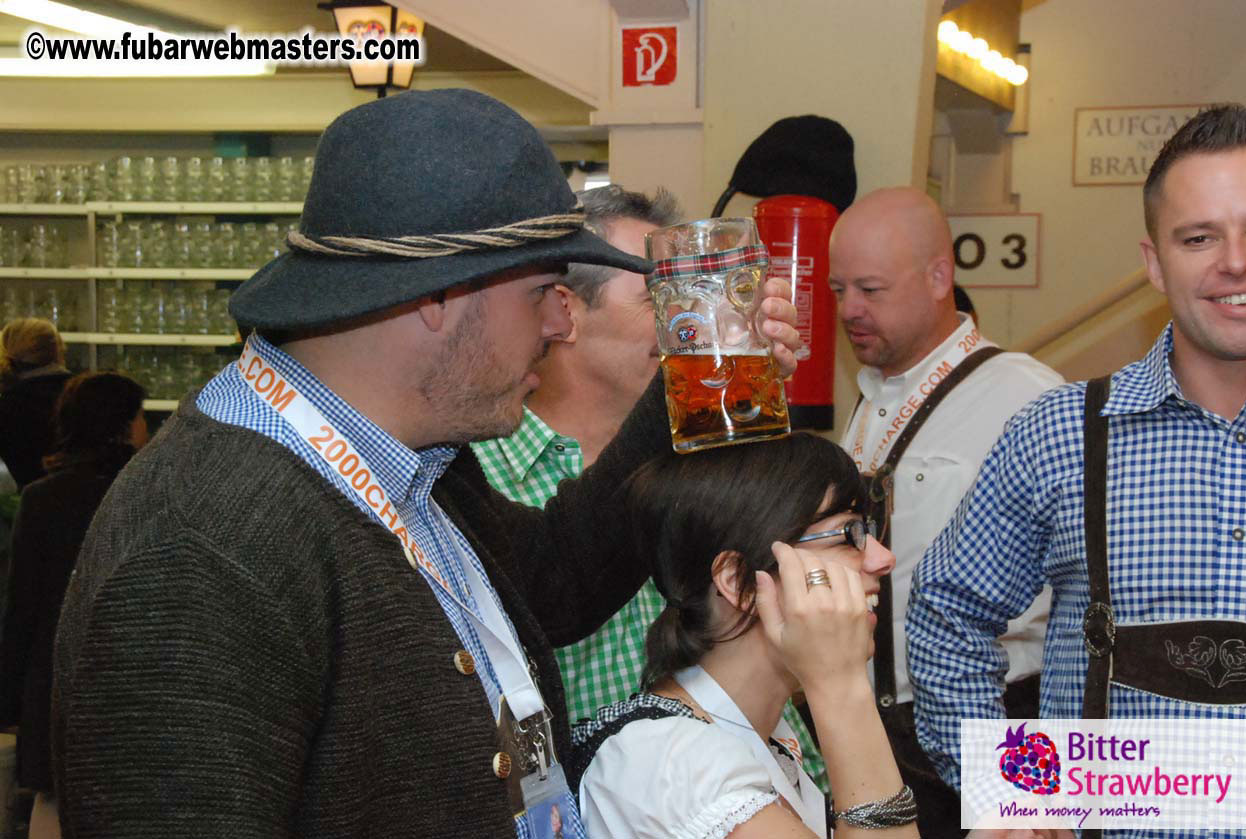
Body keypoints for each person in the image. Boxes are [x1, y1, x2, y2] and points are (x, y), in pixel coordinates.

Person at [50, 89, 800, 838]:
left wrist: (698, 372)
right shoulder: (202, 552)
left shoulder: (412, 455)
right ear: (442, 294)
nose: (554, 324)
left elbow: (561, 576)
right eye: (542, 291)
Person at [908, 103, 1246, 839]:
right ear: (1154, 261)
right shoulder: (1062, 432)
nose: (1235, 260)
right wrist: (1011, 795)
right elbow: (945, 613)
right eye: (1199, 237)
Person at [469, 183, 827, 790]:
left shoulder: (713, 445)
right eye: (659, 296)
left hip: (758, 795)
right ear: (565, 309)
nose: (691, 322)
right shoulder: (472, 476)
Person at [829, 186, 1062, 837]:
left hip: (1001, 717)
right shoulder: (870, 399)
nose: (849, 309)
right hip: (883, 733)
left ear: (938, 277)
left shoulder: (1027, 399)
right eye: (837, 288)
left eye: (869, 289)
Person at [571, 433, 917, 839]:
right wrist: (839, 683)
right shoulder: (672, 761)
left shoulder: (761, 732)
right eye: (848, 535)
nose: (882, 558)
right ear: (737, 582)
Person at [0, 372, 148, 839]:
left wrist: (9, 696)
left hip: (55, 679)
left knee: (53, 803)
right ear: (122, 426)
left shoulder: (42, 498)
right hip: (132, 678)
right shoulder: (145, 492)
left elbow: (22, 607)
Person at [0, 318, 72, 490]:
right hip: (87, 502)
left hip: (25, 504)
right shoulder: (84, 394)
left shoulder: (8, 405)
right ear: (59, 351)